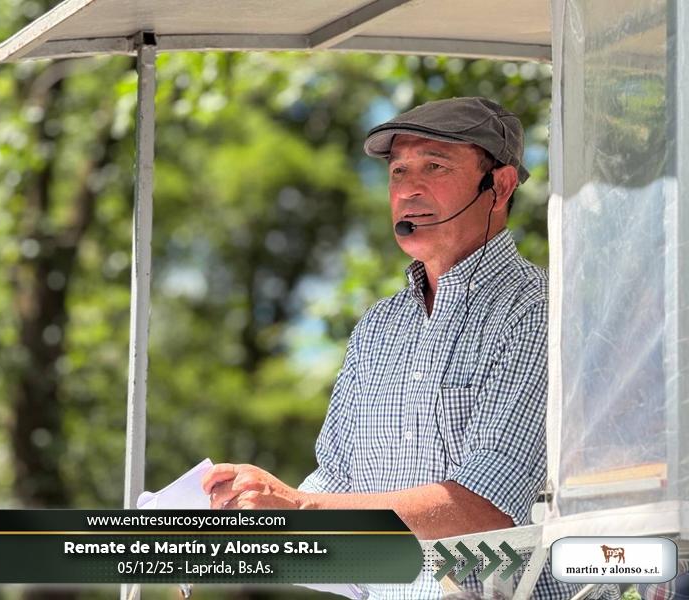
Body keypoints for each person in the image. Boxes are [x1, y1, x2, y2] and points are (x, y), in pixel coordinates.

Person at [201, 97, 607, 599]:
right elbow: (335, 488)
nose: (409, 189)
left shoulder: (539, 312)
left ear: (499, 186)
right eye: (398, 171)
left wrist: (299, 509)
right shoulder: (376, 328)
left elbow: (486, 508)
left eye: (434, 166)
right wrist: (251, 523)